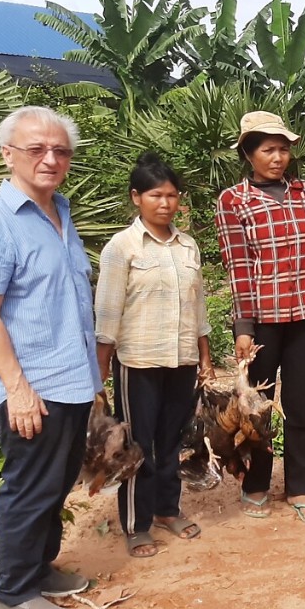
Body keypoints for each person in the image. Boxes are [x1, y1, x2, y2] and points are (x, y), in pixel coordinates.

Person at [0, 106, 99, 609]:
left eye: (60, 150)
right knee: (30, 484)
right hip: (32, 385)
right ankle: (12, 593)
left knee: (57, 481)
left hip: (72, 377)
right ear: (7, 154)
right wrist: (16, 388)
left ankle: (39, 569)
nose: (50, 158)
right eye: (37, 148)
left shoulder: (60, 212)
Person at [215, 111, 305, 522]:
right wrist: (243, 328)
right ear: (248, 153)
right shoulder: (233, 201)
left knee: (299, 405)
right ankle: (256, 484)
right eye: (267, 149)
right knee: (256, 408)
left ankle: (299, 487)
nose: (277, 157)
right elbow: (238, 268)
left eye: (283, 149)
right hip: (261, 323)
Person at [96, 153, 213, 558]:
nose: (165, 204)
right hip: (139, 361)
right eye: (155, 195)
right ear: (136, 198)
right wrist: (102, 365)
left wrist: (205, 357)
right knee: (138, 444)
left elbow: (198, 309)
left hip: (181, 360)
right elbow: (108, 310)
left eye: (172, 196)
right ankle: (135, 523)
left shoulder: (187, 246)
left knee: (172, 440)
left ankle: (167, 509)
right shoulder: (122, 247)